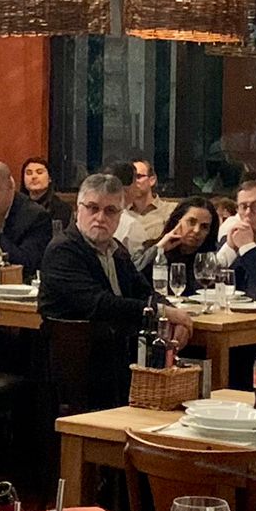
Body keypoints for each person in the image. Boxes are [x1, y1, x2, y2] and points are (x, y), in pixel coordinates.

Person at [39, 173, 192, 409]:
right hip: (76, 369)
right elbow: (100, 304)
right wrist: (166, 313)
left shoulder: (116, 249)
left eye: (110, 211)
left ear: (121, 216)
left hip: (117, 359)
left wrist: (173, 313)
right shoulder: (63, 250)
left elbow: (143, 291)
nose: (100, 217)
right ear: (77, 210)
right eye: (92, 208)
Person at [135, 196, 218, 281]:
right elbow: (130, 276)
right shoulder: (149, 248)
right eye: (191, 222)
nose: (196, 230)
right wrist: (160, 248)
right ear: (177, 221)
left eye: (204, 227)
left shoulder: (211, 259)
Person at [126, 157, 173, 245]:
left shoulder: (170, 211)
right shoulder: (121, 213)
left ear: (152, 180)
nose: (134, 181)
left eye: (138, 176)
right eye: (131, 178)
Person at [20, 157, 73, 228]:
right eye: (29, 173)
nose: (33, 176)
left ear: (49, 178)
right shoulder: (17, 207)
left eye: (39, 172)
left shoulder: (62, 209)